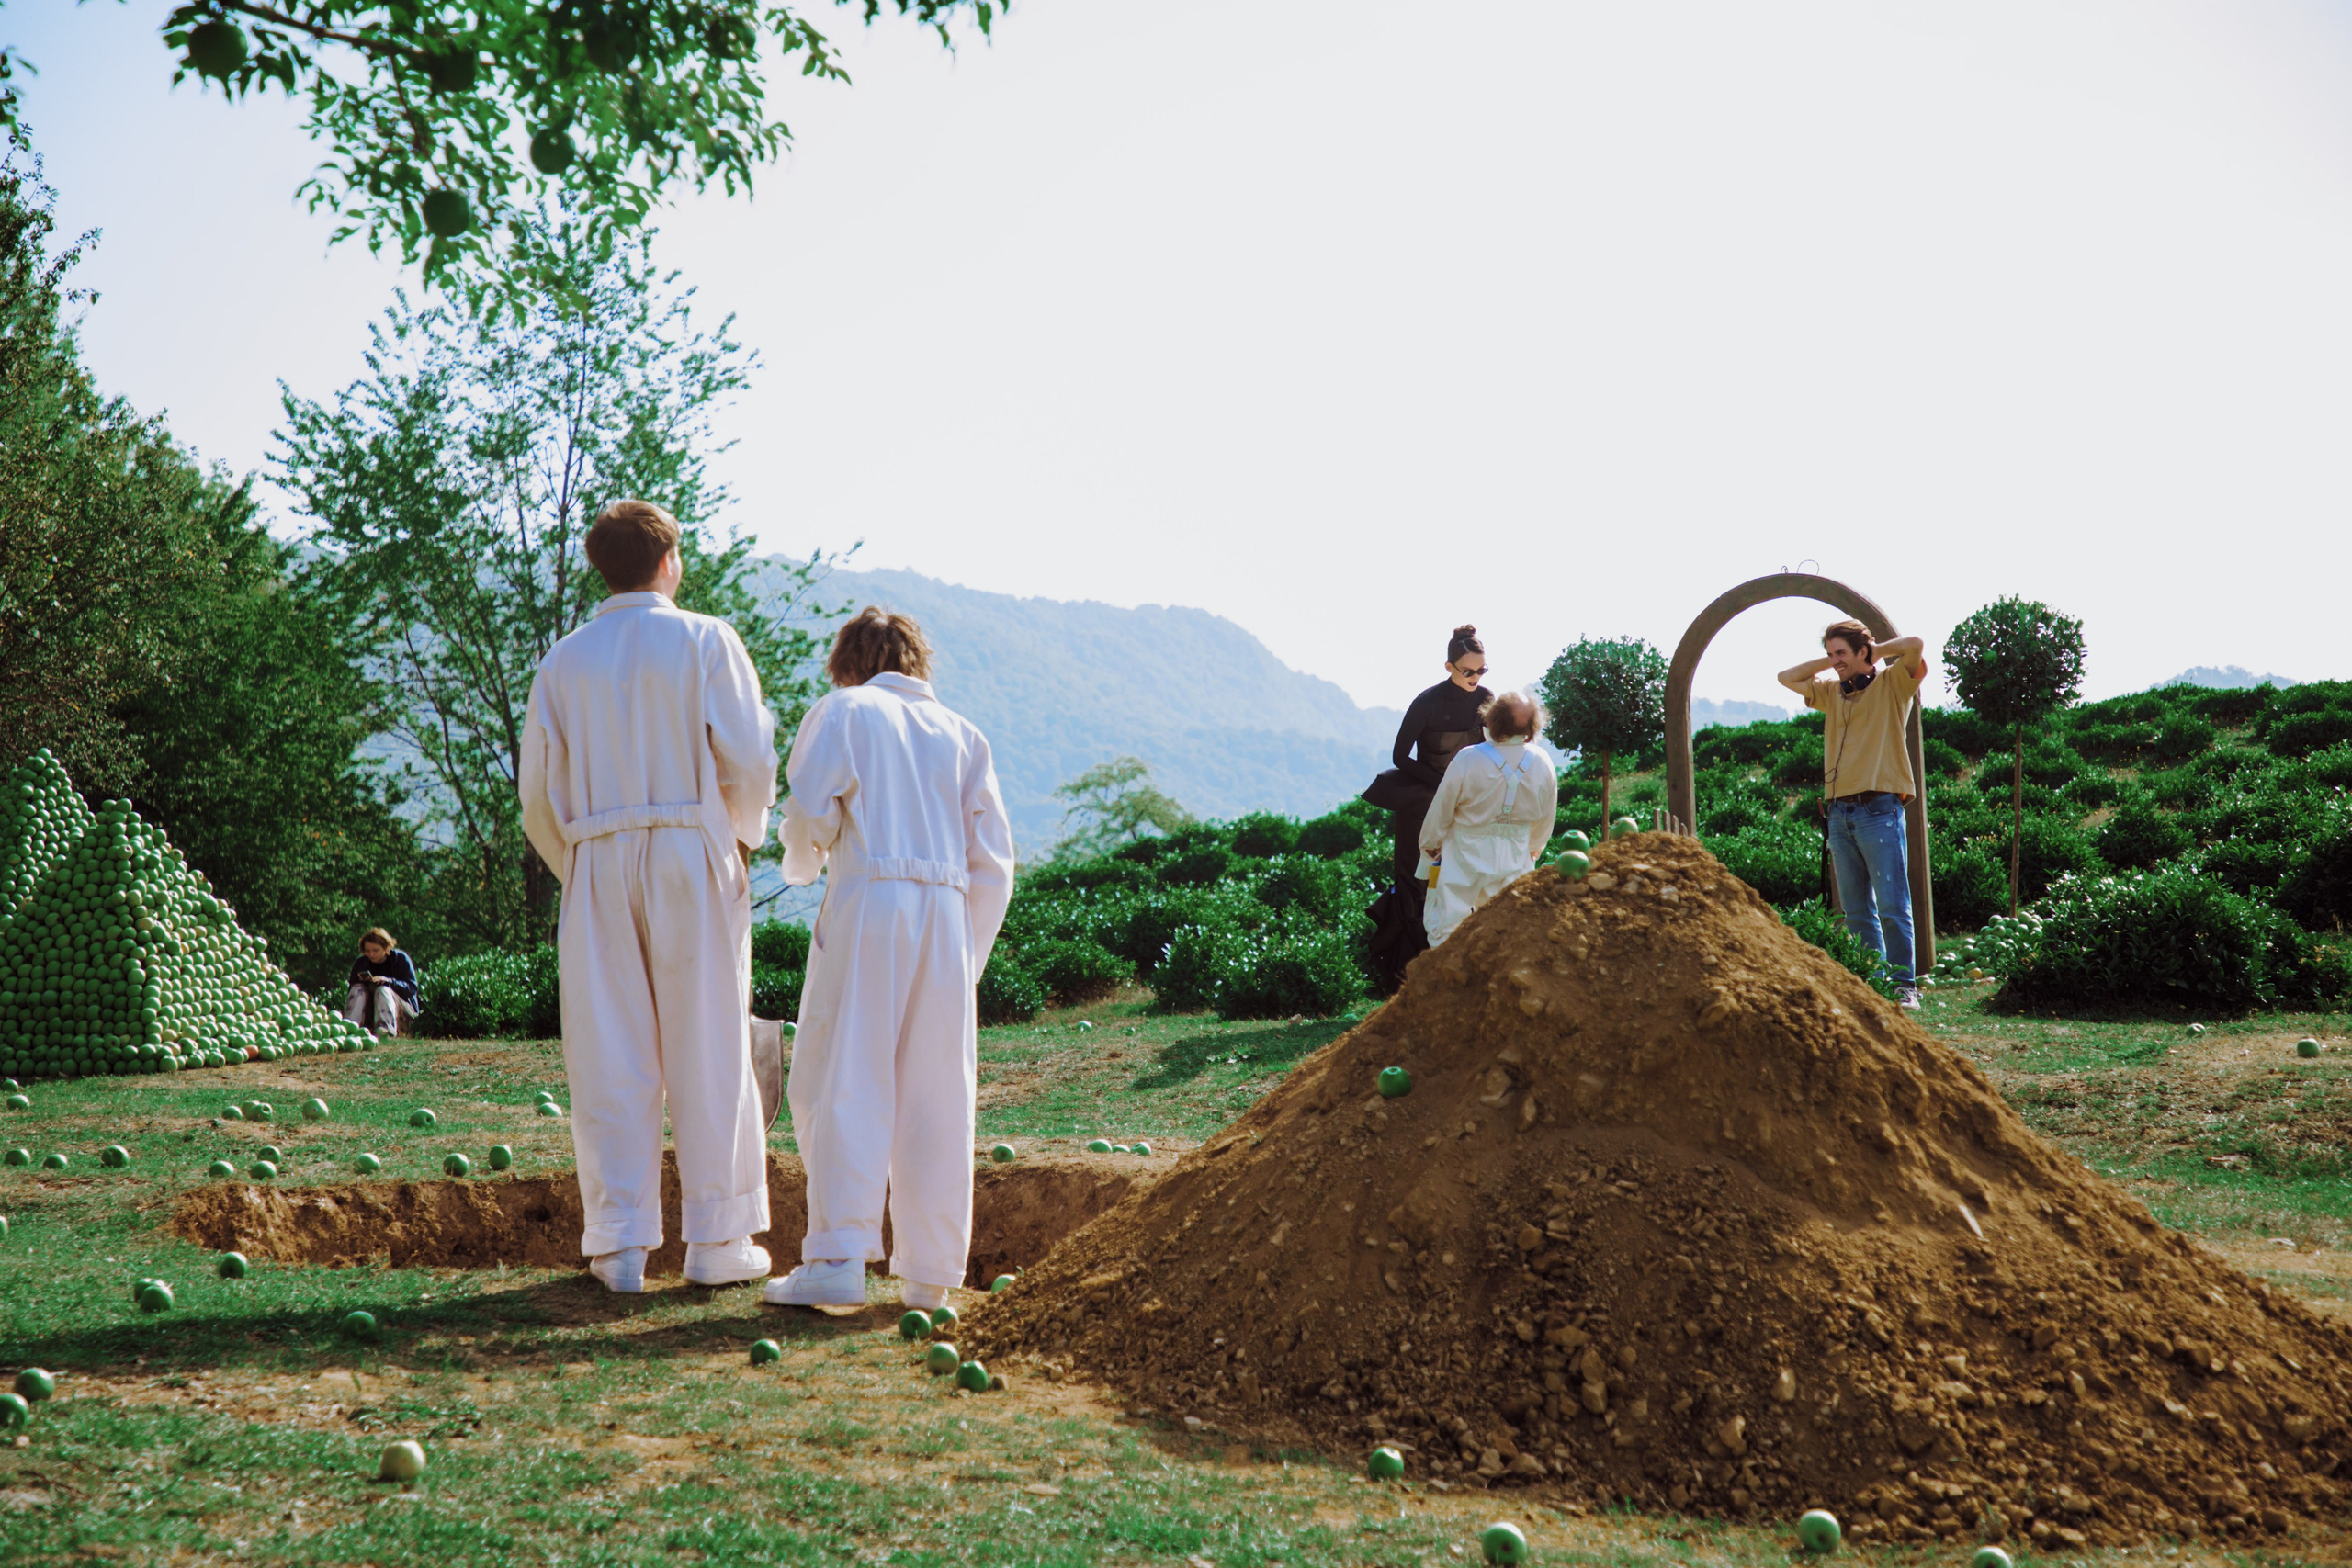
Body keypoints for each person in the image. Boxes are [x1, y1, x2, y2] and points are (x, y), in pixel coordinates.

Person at [518, 499, 779, 1294]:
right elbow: (749, 757)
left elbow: (535, 795)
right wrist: (736, 835)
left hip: (595, 852)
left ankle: (620, 1245)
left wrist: (584, 864)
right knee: (710, 1040)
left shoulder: (562, 660)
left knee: (609, 1054)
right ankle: (717, 1238)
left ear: (602, 565)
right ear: (669, 561)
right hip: (687, 849)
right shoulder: (705, 638)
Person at [764, 608, 1015, 1313]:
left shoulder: (844, 711)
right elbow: (995, 862)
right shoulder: (966, 735)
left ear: (849, 664)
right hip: (947, 912)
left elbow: (810, 807)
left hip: (870, 898)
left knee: (840, 1074)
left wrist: (807, 853)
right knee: (938, 1093)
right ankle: (931, 1275)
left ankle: (839, 1255)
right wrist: (963, 961)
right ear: (915, 660)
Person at [1777, 617, 1928, 1009]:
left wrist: (1871, 654)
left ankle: (1903, 985)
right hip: (1839, 813)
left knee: (1893, 903)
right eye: (1830, 654)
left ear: (1864, 652)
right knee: (1856, 909)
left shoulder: (1893, 685)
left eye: (1841, 652)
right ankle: (1874, 985)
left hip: (1879, 808)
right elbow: (1785, 676)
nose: (1835, 661)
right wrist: (1836, 664)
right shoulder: (1831, 692)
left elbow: (1914, 643)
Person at [1361, 626, 1494, 986]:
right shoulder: (1427, 703)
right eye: (1468, 671)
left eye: (1482, 670)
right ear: (1449, 666)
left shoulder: (1487, 699)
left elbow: (1492, 752)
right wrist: (1441, 784)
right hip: (1422, 801)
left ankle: (1457, 970)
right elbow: (1399, 756)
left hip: (1466, 803)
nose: (1476, 677)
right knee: (1415, 881)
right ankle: (1405, 975)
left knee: (1461, 879)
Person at [1419, 692, 1559, 946]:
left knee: (1448, 928)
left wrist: (1430, 844)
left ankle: (1449, 980)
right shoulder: (1543, 762)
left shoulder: (1468, 758)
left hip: (1465, 851)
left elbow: (1442, 809)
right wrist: (1533, 849)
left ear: (1491, 722)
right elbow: (1546, 816)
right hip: (1516, 852)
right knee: (1510, 928)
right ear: (1531, 731)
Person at [343, 926, 421, 1037]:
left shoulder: (400, 959)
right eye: (368, 951)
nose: (371, 954)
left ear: (386, 948)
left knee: (383, 990)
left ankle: (385, 1032)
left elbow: (412, 989)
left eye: (376, 950)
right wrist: (363, 982)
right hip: (371, 1010)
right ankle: (350, 1028)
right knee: (357, 989)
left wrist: (389, 982)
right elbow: (352, 992)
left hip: (402, 1011)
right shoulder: (361, 963)